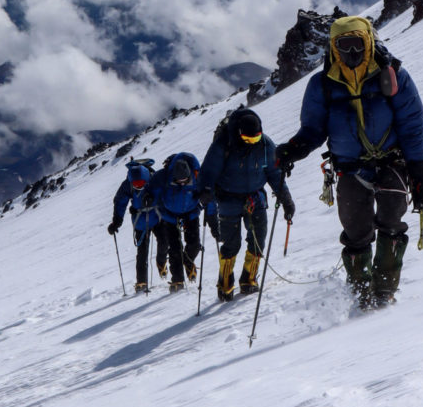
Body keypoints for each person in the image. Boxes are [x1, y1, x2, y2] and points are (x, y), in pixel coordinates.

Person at [276, 15, 423, 309]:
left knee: (391, 224)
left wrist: (421, 173)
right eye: (343, 45)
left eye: (357, 43)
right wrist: (291, 151)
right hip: (349, 168)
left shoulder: (394, 76)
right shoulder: (321, 85)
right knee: (356, 233)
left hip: (393, 162)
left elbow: (412, 125)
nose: (352, 52)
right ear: (334, 48)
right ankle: (361, 296)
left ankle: (383, 292)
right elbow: (313, 130)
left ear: (369, 41)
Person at [199, 108, 295, 301]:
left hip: (255, 197)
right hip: (228, 199)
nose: (253, 142)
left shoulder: (266, 144)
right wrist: (205, 192)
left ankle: (249, 280)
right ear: (239, 133)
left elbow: (275, 174)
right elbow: (208, 171)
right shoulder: (224, 144)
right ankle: (225, 283)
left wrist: (286, 199)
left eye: (256, 138)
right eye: (248, 139)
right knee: (231, 244)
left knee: (258, 238)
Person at [153, 152, 217, 292]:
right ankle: (177, 280)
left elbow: (209, 199)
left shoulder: (198, 177)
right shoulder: (164, 176)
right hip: (170, 215)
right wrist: (148, 197)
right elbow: (152, 187)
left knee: (194, 244)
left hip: (191, 214)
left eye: (185, 180)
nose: (182, 183)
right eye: (179, 181)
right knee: (174, 248)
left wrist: (214, 224)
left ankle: (188, 262)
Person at [107, 159, 168, 293]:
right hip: (143, 220)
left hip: (156, 217)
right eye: (136, 184)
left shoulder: (154, 180)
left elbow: (165, 195)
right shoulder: (128, 184)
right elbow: (120, 202)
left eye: (141, 183)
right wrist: (117, 221)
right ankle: (141, 281)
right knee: (142, 253)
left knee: (164, 242)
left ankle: (161, 262)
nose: (138, 186)